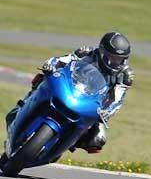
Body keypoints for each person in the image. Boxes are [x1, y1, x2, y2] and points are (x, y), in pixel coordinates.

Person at [5, 31, 134, 154]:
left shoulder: (125, 75)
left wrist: (107, 112)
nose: (115, 62)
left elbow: (117, 99)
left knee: (98, 139)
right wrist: (51, 66)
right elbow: (62, 60)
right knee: (42, 79)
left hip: (94, 103)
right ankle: (24, 104)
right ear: (101, 51)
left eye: (119, 59)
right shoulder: (86, 53)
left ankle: (69, 141)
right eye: (111, 57)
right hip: (72, 87)